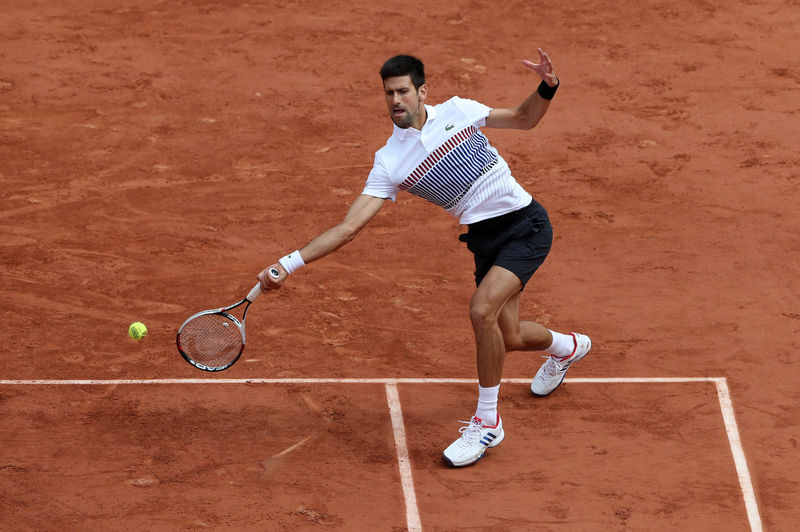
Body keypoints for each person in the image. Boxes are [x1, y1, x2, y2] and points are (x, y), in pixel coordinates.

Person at [257, 48, 591, 468]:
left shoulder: (459, 110)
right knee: (509, 338)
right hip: (486, 241)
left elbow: (523, 118)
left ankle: (487, 422)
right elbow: (348, 227)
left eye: (402, 91)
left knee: (481, 310)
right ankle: (568, 347)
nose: (395, 101)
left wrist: (547, 85)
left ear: (421, 92)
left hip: (526, 225)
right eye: (388, 94)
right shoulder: (390, 162)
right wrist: (286, 264)